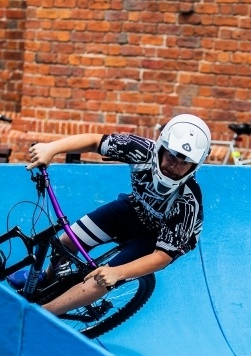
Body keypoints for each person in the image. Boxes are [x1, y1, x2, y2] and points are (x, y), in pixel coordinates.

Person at [11, 113, 211, 316]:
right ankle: (47, 278)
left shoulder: (187, 202)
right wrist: (51, 148)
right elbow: (94, 141)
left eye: (184, 163)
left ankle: (41, 315)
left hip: (158, 239)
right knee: (66, 241)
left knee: (102, 279)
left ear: (196, 165)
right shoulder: (141, 150)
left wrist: (117, 272)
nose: (174, 167)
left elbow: (162, 256)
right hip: (136, 209)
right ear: (161, 147)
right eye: (171, 156)